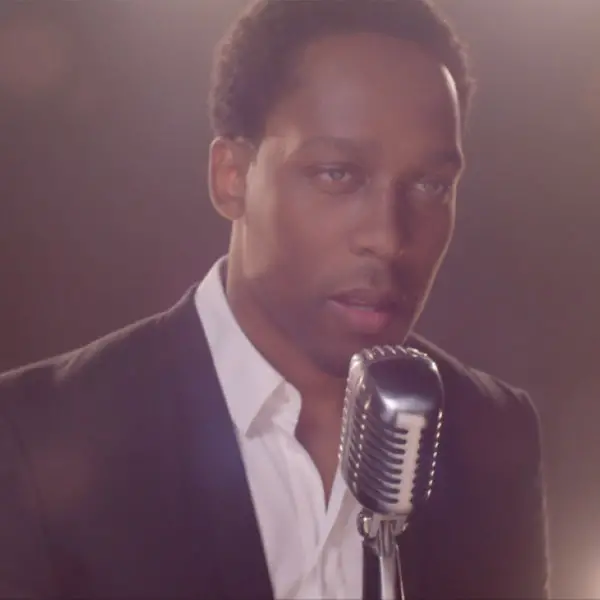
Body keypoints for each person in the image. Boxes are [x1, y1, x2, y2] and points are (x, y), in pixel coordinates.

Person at [0, 0, 549, 598]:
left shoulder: (491, 430)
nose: (389, 237)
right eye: (338, 173)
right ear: (231, 177)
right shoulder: (35, 433)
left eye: (430, 184)